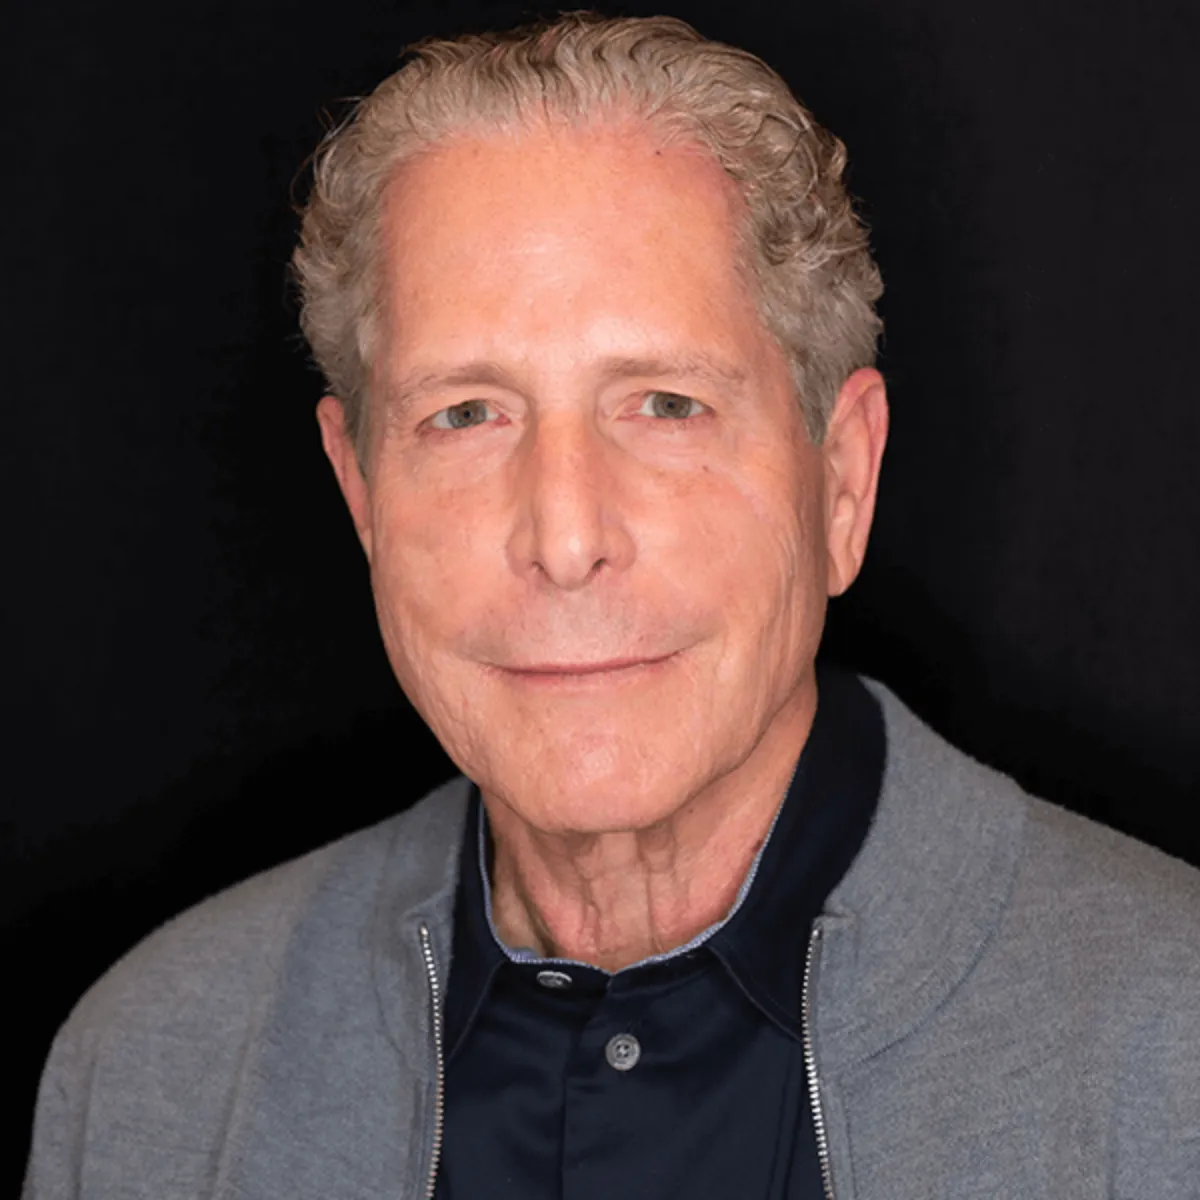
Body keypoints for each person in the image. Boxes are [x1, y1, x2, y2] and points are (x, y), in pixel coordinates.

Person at [23, 13, 1200, 1199]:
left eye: (666, 404)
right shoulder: (152, 1075)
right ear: (362, 493)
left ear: (842, 481)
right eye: (465, 415)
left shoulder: (1172, 1045)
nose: (567, 537)